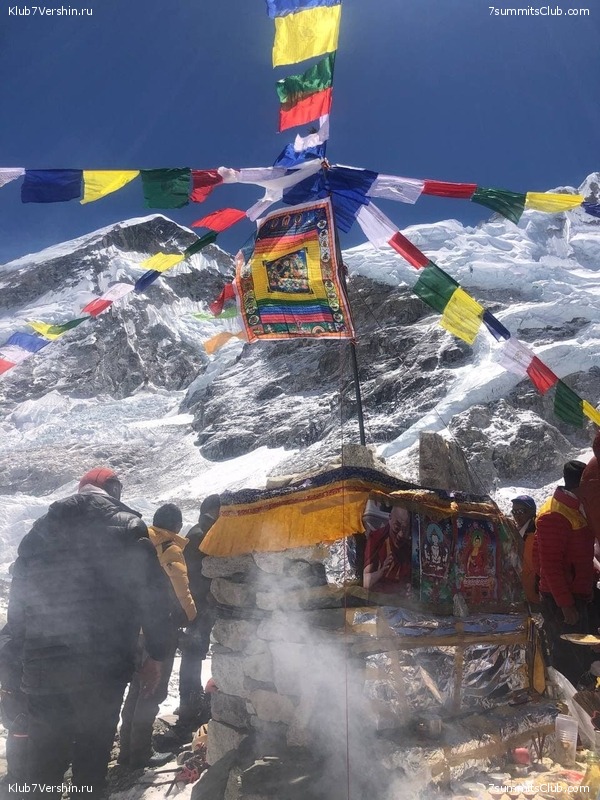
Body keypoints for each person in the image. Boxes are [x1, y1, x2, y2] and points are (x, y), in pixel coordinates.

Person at [7, 467, 172, 798]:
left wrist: (16, 665)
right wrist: (156, 655)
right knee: (92, 757)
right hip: (103, 669)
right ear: (113, 492)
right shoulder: (130, 528)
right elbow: (154, 598)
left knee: (43, 763)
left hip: (44, 670)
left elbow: (19, 607)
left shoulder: (39, 531)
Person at [119, 503, 196, 769]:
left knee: (136, 688)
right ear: (176, 526)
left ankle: (126, 749)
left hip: (133, 630)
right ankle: (140, 753)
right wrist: (191, 615)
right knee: (153, 690)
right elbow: (181, 590)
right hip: (158, 630)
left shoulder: (138, 543)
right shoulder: (169, 549)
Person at [155, 494, 221, 751]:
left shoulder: (198, 533)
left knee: (193, 659)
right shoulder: (202, 534)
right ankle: (189, 712)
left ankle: (191, 707)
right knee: (192, 659)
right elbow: (193, 578)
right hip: (198, 609)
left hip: (197, 608)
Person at [536, 460, 595, 685]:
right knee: (567, 657)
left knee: (581, 653)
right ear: (580, 485)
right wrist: (565, 604)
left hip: (578, 594)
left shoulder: (576, 508)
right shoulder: (554, 514)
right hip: (561, 600)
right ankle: (568, 698)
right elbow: (550, 565)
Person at [363, 505, 412, 592]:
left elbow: (409, 581)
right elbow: (365, 581)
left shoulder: (409, 548)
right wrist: (381, 572)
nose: (400, 534)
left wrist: (409, 589)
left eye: (405, 530)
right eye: (397, 527)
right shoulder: (377, 538)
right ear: (390, 518)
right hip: (376, 596)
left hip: (397, 598)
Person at [511, 495, 539, 606]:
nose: (517, 515)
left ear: (532, 512)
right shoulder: (516, 532)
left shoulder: (536, 534)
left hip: (535, 594)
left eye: (521, 511)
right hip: (524, 595)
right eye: (514, 512)